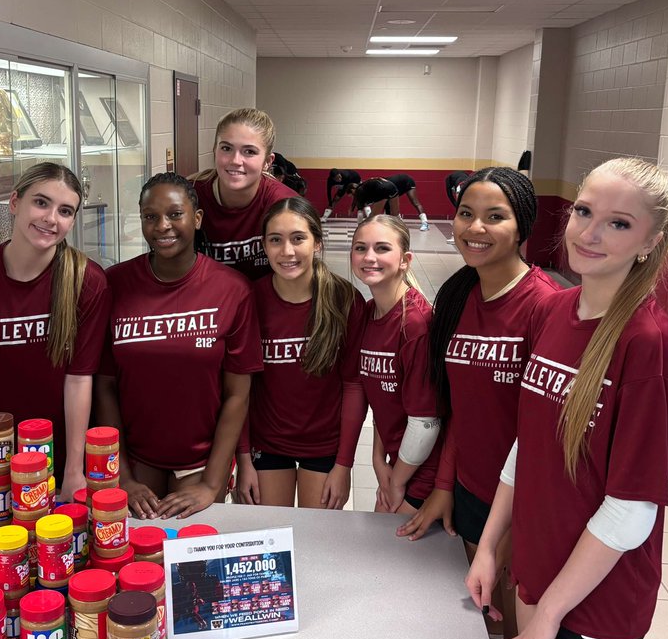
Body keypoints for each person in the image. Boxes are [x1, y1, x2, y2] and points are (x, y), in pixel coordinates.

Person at [466, 157, 668, 639]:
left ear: (651, 240)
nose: (589, 234)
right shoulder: (554, 310)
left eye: (618, 223)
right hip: (539, 570)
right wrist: (489, 547)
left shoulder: (647, 343)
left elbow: (631, 510)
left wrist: (553, 613)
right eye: (584, 212)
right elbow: (525, 447)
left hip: (596, 599)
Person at [397, 169, 558, 639]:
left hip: (522, 502)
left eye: (495, 217)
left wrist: (507, 527)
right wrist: (446, 486)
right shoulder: (457, 297)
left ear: (522, 225)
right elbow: (458, 411)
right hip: (471, 491)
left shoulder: (545, 306)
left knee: (515, 633)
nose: (475, 228)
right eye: (466, 214)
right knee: (481, 622)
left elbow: (545, 434)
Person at [0, 163, 110, 498]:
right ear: (15, 202)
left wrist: (74, 470)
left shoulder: (88, 282)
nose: (51, 218)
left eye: (65, 211)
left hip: (70, 454)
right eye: (41, 203)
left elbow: (79, 379)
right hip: (2, 456)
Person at [96, 173, 263, 521]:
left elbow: (237, 395)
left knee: (195, 568)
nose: (162, 226)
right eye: (150, 216)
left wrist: (210, 483)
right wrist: (122, 476)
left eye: (175, 214)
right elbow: (105, 386)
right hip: (136, 462)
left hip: (202, 465)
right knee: (137, 564)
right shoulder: (114, 284)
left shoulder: (232, 289)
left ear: (197, 219)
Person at [236, 197, 366, 510]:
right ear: (264, 246)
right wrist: (243, 460)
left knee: (317, 545)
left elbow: (353, 385)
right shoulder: (249, 299)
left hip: (325, 446)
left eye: (298, 239)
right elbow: (239, 387)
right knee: (271, 543)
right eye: (275, 240)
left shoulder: (344, 300)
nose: (287, 251)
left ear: (317, 243)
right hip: (266, 444)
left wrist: (344, 464)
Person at [344, 215, 443, 514]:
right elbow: (384, 399)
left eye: (382, 248)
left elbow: (426, 422)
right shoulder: (369, 312)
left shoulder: (415, 323)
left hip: (423, 472)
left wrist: (396, 482)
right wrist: (377, 460)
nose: (369, 257)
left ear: (405, 260)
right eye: (361, 248)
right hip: (397, 462)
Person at [193, 108, 298, 279]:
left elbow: (300, 279)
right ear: (214, 150)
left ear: (267, 161)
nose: (235, 160)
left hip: (264, 300)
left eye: (249, 151)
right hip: (206, 300)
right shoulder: (190, 197)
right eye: (226, 148)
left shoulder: (285, 205)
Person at [352, 174, 431, 230]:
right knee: (391, 209)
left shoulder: (381, 187)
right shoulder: (378, 185)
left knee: (415, 202)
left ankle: (425, 222)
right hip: (394, 188)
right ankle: (399, 223)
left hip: (407, 181)